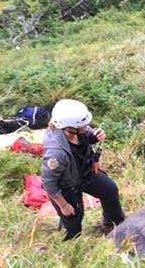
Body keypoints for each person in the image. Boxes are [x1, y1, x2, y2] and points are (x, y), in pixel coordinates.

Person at [41, 99, 125, 240]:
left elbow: (86, 134)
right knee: (73, 222)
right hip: (67, 187)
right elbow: (49, 183)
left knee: (109, 190)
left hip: (85, 174)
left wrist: (94, 135)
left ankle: (113, 224)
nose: (87, 126)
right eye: (83, 125)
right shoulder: (56, 153)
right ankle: (69, 243)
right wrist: (63, 206)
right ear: (70, 127)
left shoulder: (75, 131)